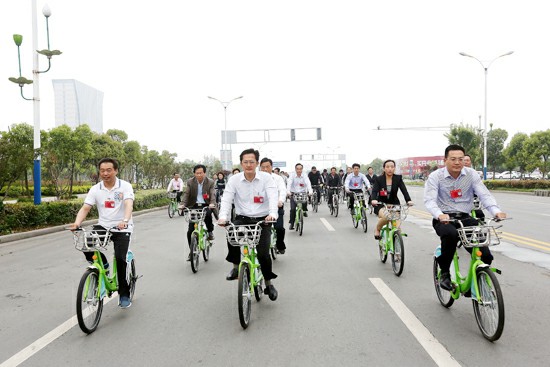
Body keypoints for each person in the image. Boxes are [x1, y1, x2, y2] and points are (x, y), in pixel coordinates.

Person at [424, 144, 507, 291]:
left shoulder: (471, 174)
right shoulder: (435, 177)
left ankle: (474, 282)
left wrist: (495, 211)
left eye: (460, 159)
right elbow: (430, 200)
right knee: (450, 235)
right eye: (453, 159)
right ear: (445, 160)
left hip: (465, 217)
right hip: (444, 219)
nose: (457, 162)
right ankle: (444, 274)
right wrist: (440, 214)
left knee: (486, 256)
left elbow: (484, 195)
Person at [69, 158, 135, 309]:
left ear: (116, 171)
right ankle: (103, 265)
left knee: (120, 259)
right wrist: (77, 223)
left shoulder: (124, 186)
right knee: (86, 244)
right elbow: (86, 207)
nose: (105, 173)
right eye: (102, 171)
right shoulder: (96, 189)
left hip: (122, 227)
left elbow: (128, 203)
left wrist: (125, 219)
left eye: (109, 170)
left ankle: (124, 294)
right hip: (103, 226)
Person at [218, 148, 279, 300]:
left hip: (263, 219)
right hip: (243, 217)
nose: (248, 165)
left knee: (263, 253)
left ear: (257, 163)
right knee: (231, 233)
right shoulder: (234, 180)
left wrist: (272, 214)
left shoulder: (266, 178)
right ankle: (235, 267)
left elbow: (272, 196)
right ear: (241, 163)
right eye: (245, 162)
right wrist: (223, 217)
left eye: (252, 162)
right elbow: (226, 199)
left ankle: (268, 283)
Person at [371, 160, 413, 239]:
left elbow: (404, 190)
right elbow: (374, 191)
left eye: (392, 167)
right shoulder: (379, 179)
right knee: (387, 217)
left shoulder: (398, 178)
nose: (390, 169)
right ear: (384, 168)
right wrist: (373, 200)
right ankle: (377, 229)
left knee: (397, 227)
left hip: (394, 204)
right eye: (387, 167)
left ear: (394, 168)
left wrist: (408, 200)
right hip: (381, 204)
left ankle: (397, 245)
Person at [181, 164, 216, 260]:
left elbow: (212, 194)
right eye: (197, 173)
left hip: (206, 204)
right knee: (190, 231)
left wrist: (212, 203)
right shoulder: (190, 182)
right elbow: (186, 194)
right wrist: (183, 204)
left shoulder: (210, 182)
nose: (199, 175)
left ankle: (210, 231)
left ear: (204, 173)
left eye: (201, 173)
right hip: (194, 205)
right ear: (194, 174)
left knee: (208, 214)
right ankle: (191, 252)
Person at [260, 158, 287, 254]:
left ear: (271, 167)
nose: (265, 169)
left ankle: (280, 245)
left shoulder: (278, 178)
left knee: (279, 228)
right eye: (263, 167)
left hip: (276, 206)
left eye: (267, 167)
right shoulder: (257, 179)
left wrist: (280, 201)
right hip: (261, 208)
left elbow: (282, 190)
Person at [287, 163, 313, 230]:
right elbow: (289, 183)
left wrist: (310, 191)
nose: (299, 170)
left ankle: (304, 211)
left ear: (302, 169)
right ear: (295, 169)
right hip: (293, 194)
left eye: (300, 169)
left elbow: (308, 183)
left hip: (302, 193)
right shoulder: (292, 175)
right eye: (297, 169)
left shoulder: (304, 175)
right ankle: (292, 223)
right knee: (293, 209)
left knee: (304, 203)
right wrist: (288, 192)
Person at [463, 154, 485, 221]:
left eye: (467, 160)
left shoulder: (474, 174)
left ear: (470, 162)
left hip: (474, 199)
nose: (466, 162)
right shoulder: (457, 173)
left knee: (480, 215)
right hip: (461, 201)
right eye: (464, 160)